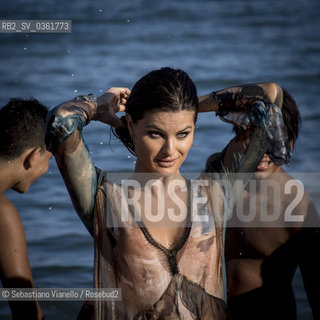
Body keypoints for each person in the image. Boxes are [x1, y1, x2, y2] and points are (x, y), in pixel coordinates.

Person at [46, 67, 290, 319]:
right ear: (131, 125)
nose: (170, 150)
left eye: (183, 134)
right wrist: (101, 105)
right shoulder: (104, 202)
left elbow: (269, 96)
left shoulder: (215, 194)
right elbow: (61, 121)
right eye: (155, 134)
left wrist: (191, 107)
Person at [205, 90, 320, 319]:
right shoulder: (217, 174)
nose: (262, 152)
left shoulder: (296, 209)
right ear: (237, 136)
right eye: (254, 138)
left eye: (273, 140)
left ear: (290, 142)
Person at [0, 98, 52, 320]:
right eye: (49, 158)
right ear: (32, 156)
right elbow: (27, 313)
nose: (47, 168)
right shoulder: (3, 215)